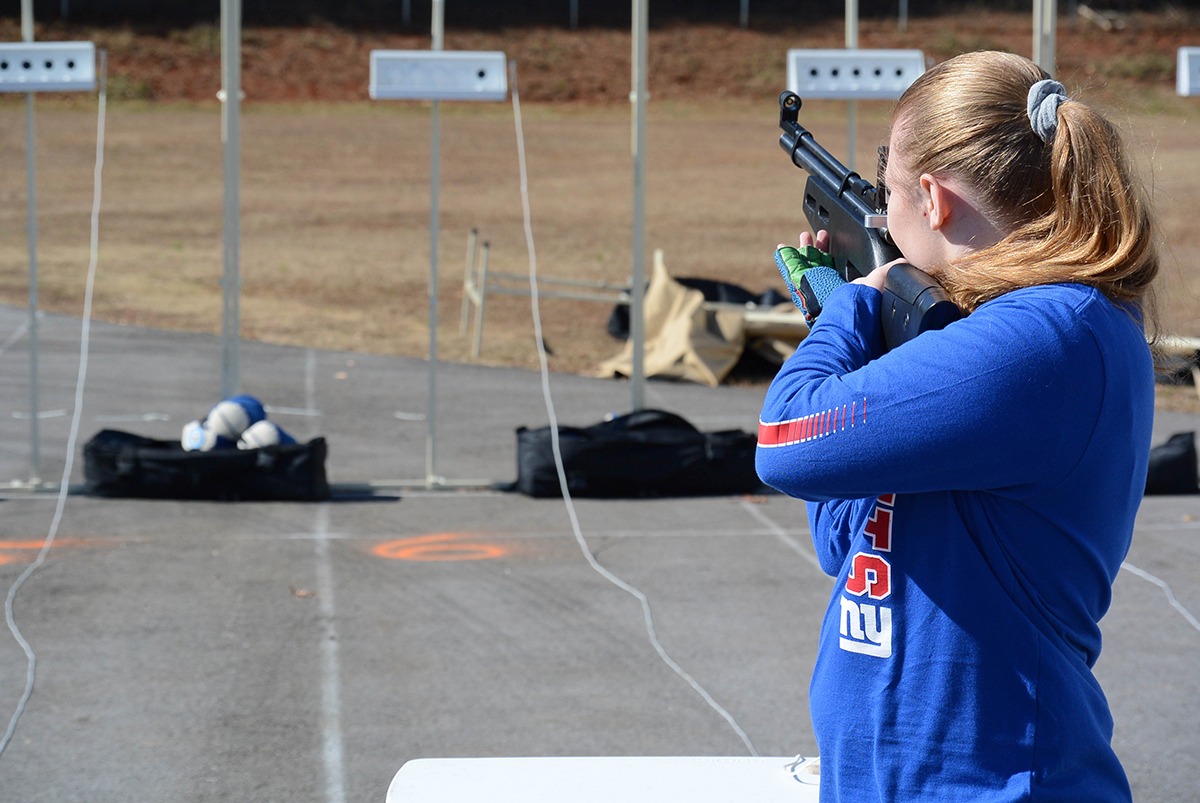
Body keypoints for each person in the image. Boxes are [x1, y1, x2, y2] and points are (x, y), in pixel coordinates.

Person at [756, 51, 1159, 802]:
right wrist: (858, 356)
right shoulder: (993, 338)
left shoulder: (1049, 335)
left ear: (934, 199)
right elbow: (844, 540)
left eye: (888, 186)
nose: (883, 208)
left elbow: (783, 441)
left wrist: (846, 315)